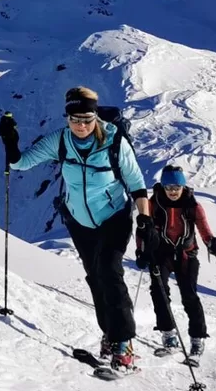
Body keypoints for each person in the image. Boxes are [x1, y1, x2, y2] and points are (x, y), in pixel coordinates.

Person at [9, 86, 149, 372]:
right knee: (95, 278)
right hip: (79, 222)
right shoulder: (60, 140)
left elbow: (137, 184)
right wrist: (10, 142)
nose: (81, 125)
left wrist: (145, 221)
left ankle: (124, 344)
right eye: (75, 119)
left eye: (87, 119)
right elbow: (21, 163)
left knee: (110, 272)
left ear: (95, 116)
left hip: (114, 217)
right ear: (67, 118)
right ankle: (109, 335)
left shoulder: (114, 142)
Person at [139, 165, 216, 361]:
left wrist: (211, 242)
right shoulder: (154, 203)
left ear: (183, 186)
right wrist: (141, 251)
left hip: (186, 254)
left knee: (189, 295)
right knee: (158, 291)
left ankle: (197, 339)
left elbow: (203, 228)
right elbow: (143, 229)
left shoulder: (192, 205)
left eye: (177, 187)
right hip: (161, 254)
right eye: (169, 187)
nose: (173, 191)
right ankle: (169, 336)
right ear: (163, 187)